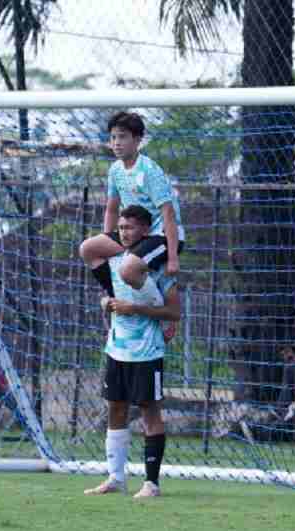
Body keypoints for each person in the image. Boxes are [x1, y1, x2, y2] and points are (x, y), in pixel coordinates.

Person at [84, 205, 180, 499]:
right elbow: (93, 259)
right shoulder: (114, 261)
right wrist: (108, 303)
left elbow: (174, 313)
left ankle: (151, 483)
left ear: (146, 232)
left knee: (150, 411)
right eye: (121, 227)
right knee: (116, 407)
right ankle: (115, 477)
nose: (124, 232)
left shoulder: (157, 268)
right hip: (117, 349)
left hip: (147, 352)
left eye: (130, 228)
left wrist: (134, 308)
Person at [78, 112, 184, 299]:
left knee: (127, 270)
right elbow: (111, 209)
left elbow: (169, 214)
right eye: (113, 137)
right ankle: (117, 297)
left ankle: (158, 309)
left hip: (161, 236)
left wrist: (173, 258)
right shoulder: (115, 170)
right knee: (88, 249)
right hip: (133, 234)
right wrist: (109, 237)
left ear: (137, 140)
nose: (116, 142)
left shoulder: (149, 171)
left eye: (123, 136)